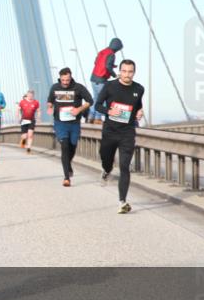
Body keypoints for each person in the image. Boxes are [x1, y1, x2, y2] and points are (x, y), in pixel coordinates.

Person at [95, 60, 145, 214]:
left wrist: (139, 112)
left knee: (124, 166)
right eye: (124, 71)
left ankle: (122, 201)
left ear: (134, 73)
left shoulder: (139, 88)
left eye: (130, 72)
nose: (127, 75)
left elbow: (138, 105)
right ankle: (106, 170)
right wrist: (109, 111)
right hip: (110, 131)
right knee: (106, 158)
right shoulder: (110, 86)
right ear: (120, 72)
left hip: (127, 132)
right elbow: (97, 105)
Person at [46, 68, 93, 187]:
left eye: (67, 80)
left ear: (71, 77)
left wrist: (79, 109)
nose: (65, 82)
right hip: (60, 123)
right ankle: (66, 177)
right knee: (65, 146)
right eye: (63, 80)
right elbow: (50, 101)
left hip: (74, 123)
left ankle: (68, 165)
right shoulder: (55, 87)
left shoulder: (78, 87)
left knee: (72, 146)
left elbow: (90, 101)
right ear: (60, 78)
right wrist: (50, 107)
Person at [89, 37, 123, 122]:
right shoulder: (111, 54)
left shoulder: (102, 51)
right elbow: (107, 66)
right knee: (102, 99)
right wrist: (114, 75)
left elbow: (96, 62)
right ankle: (97, 118)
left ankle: (90, 116)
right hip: (101, 79)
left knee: (96, 98)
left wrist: (112, 65)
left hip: (93, 78)